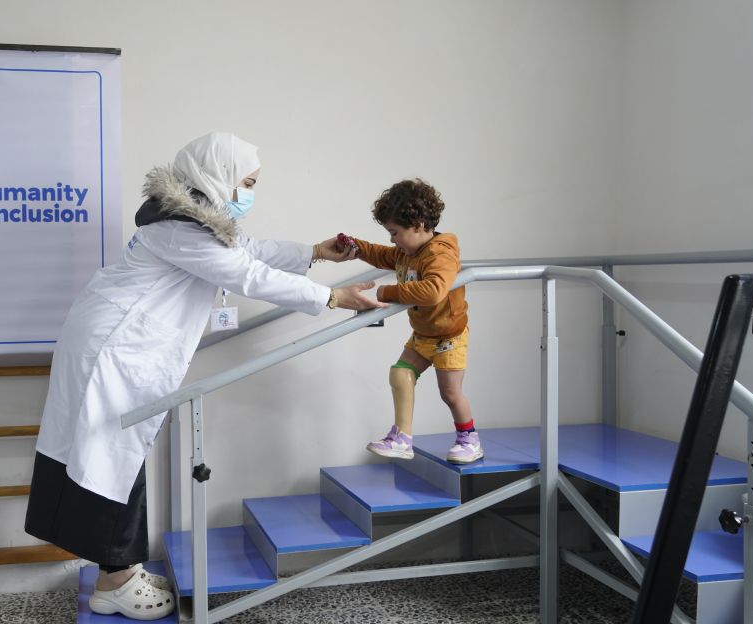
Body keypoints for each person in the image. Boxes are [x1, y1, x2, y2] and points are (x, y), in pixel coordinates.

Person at [24, 131, 384, 620]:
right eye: (247, 182)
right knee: (114, 456)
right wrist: (333, 298)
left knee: (117, 455)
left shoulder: (190, 218)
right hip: (114, 346)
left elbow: (248, 252)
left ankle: (119, 568)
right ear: (217, 175)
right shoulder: (180, 226)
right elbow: (247, 275)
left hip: (118, 340)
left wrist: (314, 252)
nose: (249, 193)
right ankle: (115, 580)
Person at [344, 178, 482, 464]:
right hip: (423, 334)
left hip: (449, 336)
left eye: (395, 232)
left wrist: (385, 292)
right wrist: (356, 247)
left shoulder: (440, 254)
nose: (392, 240)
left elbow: (432, 291)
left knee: (450, 393)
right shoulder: (410, 252)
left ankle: (469, 440)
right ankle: (402, 439)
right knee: (400, 374)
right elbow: (383, 255)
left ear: (418, 225)